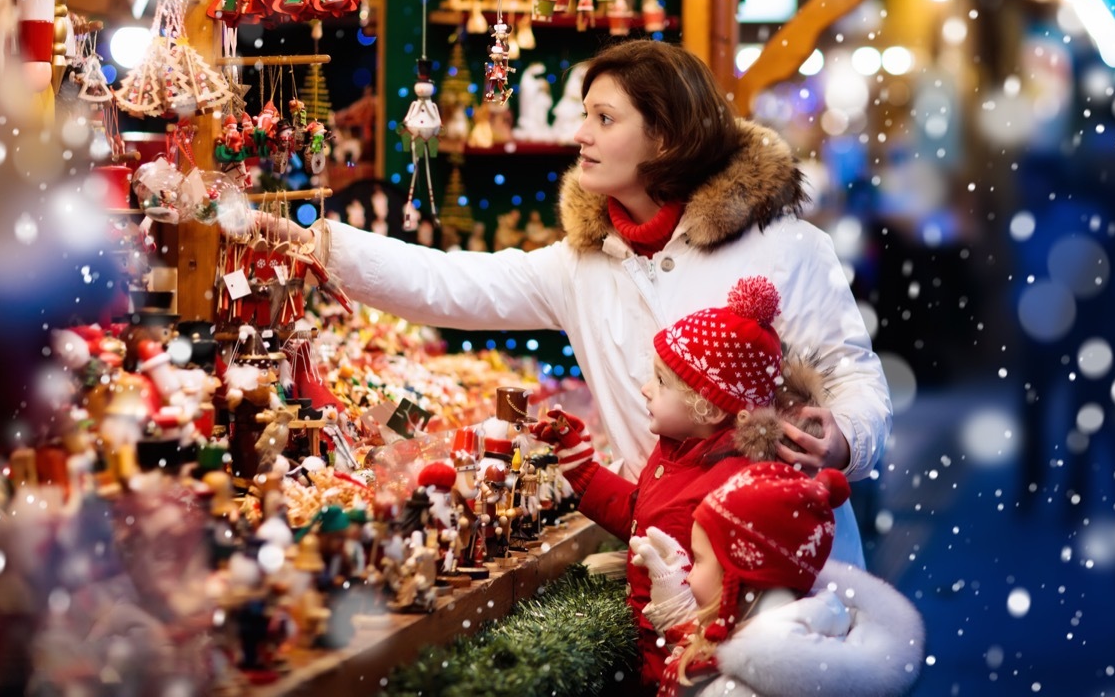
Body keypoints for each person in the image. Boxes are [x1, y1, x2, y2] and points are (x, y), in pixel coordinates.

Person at [252, 38, 890, 562]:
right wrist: (319, 245)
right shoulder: (581, 265)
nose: (578, 133)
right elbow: (448, 283)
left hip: (788, 554)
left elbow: (851, 375)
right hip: (668, 557)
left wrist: (846, 437)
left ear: (666, 137)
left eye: (604, 119)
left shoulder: (786, 248)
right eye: (584, 113)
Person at [528, 275, 829, 687]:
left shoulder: (732, 490)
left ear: (705, 406)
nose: (646, 389)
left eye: (663, 382)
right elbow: (644, 518)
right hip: (659, 649)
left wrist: (677, 656)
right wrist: (579, 463)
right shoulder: (679, 452)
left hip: (683, 666)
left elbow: (723, 614)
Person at [639, 462, 924, 697]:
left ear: (740, 578)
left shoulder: (735, 689)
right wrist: (676, 605)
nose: (689, 575)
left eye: (698, 560)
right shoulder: (817, 626)